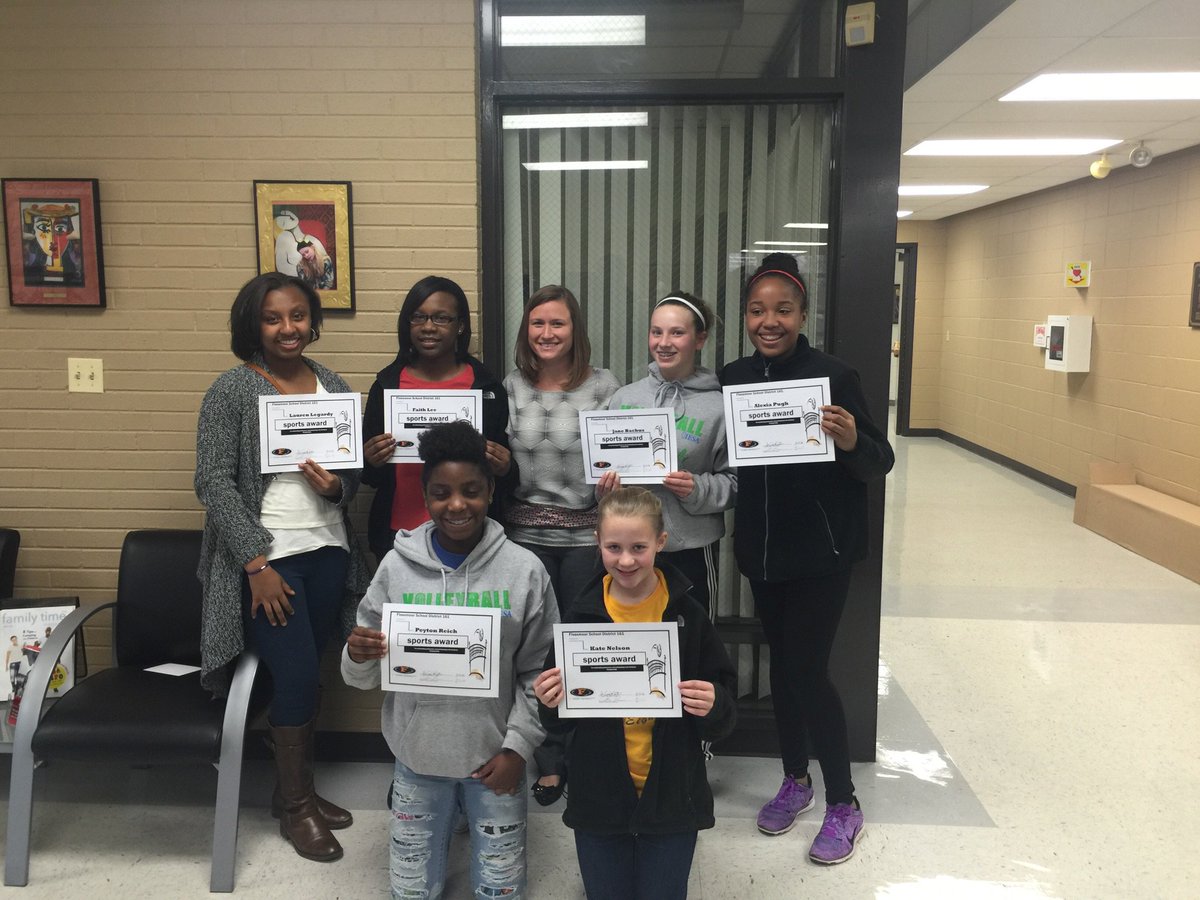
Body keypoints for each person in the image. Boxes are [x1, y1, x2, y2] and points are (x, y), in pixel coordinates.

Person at [720, 252, 894, 865]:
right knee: (783, 672)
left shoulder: (834, 375)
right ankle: (796, 781)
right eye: (758, 310)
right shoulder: (733, 377)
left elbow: (880, 459)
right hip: (763, 554)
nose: (770, 321)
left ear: (802, 315)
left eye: (783, 310)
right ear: (747, 315)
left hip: (822, 554)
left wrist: (850, 440)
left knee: (806, 673)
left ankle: (844, 804)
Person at [195, 272, 371, 863]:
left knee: (309, 670)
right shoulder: (232, 391)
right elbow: (213, 481)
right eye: (273, 318)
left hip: (328, 552)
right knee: (293, 675)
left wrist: (337, 488)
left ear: (311, 320)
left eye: (298, 315)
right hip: (271, 560)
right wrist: (254, 561)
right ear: (254, 325)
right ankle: (297, 809)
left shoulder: (334, 385)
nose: (288, 328)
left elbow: (348, 484)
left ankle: (294, 791)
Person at [341, 420, 557, 900]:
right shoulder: (396, 569)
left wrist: (518, 748)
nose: (456, 505)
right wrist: (357, 655)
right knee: (412, 890)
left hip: (496, 759)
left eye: (471, 491)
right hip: (417, 757)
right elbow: (361, 671)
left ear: (491, 490)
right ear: (425, 494)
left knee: (500, 889)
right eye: (441, 493)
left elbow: (539, 673)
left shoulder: (525, 571)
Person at [533, 487, 737, 900]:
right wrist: (549, 700)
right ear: (597, 543)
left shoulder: (687, 614)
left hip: (672, 794)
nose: (626, 560)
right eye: (614, 547)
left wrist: (714, 703)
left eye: (639, 547)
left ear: (661, 543)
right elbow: (559, 719)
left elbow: (725, 708)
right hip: (599, 796)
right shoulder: (581, 616)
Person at [503, 284, 620, 805]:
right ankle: (547, 759)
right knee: (536, 652)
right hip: (523, 541)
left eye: (558, 324)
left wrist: (621, 478)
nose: (547, 333)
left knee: (579, 648)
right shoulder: (510, 387)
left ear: (576, 331)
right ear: (526, 331)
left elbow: (622, 450)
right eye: (538, 324)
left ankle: (583, 754)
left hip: (583, 539)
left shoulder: (604, 386)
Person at [599, 292, 736, 615]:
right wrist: (604, 490)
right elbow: (601, 466)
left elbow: (735, 483)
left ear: (699, 339)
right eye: (656, 331)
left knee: (693, 647)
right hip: (628, 550)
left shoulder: (718, 407)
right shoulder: (623, 398)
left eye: (677, 333)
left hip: (690, 548)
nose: (664, 342)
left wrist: (697, 488)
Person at [361, 275, 514, 563]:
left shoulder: (486, 388)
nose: (428, 327)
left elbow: (505, 480)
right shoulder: (387, 386)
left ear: (460, 326)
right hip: (399, 534)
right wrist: (370, 459)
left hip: (469, 536)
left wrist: (505, 467)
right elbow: (370, 478)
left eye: (441, 318)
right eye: (418, 317)